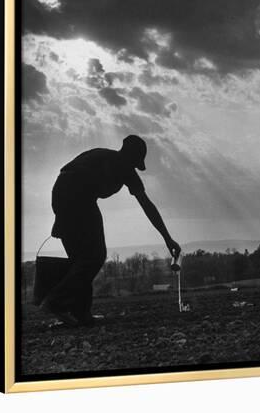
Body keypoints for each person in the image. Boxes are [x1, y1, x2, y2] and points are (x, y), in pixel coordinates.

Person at [41, 135, 181, 326]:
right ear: (127, 154)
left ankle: (81, 313)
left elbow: (147, 205)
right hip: (69, 197)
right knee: (95, 256)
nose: (133, 167)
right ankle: (55, 302)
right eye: (134, 161)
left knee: (81, 259)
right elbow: (69, 180)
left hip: (77, 200)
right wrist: (61, 216)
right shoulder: (101, 159)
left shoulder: (127, 172)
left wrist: (167, 238)